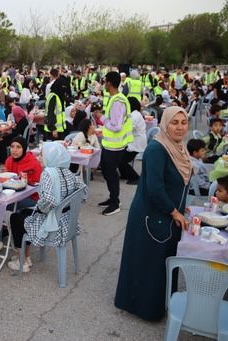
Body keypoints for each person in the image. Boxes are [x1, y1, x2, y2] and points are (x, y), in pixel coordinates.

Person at [115, 106, 191, 321]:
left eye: (183, 122)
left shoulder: (179, 147)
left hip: (169, 213)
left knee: (160, 262)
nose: (179, 127)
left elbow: (176, 184)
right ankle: (143, 308)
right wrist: (175, 212)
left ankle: (160, 303)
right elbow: (155, 188)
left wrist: (180, 208)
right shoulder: (157, 149)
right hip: (152, 214)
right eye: (174, 122)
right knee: (148, 262)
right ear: (165, 124)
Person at [8, 141, 86, 272]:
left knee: (15, 218)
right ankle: (25, 257)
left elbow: (49, 200)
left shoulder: (48, 173)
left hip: (54, 225)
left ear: (51, 157)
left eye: (42, 155)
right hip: (68, 222)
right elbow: (83, 192)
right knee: (25, 213)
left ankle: (23, 260)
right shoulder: (67, 172)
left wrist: (40, 209)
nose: (39, 158)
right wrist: (67, 206)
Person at [98, 72, 133, 216]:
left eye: (105, 82)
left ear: (110, 84)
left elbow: (116, 126)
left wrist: (102, 119)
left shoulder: (118, 101)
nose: (104, 85)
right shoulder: (114, 98)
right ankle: (112, 198)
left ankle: (115, 203)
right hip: (111, 145)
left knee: (111, 173)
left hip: (115, 146)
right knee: (106, 170)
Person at [4, 136, 42, 205]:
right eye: (12, 147)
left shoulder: (33, 163)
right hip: (14, 194)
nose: (14, 150)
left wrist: (25, 179)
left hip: (32, 197)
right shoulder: (9, 160)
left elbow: (37, 185)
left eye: (18, 147)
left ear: (24, 149)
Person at [119, 97, 147, 185]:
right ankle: (124, 175)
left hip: (136, 143)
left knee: (121, 160)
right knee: (120, 157)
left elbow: (127, 128)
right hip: (134, 141)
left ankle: (135, 177)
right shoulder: (134, 114)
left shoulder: (135, 115)